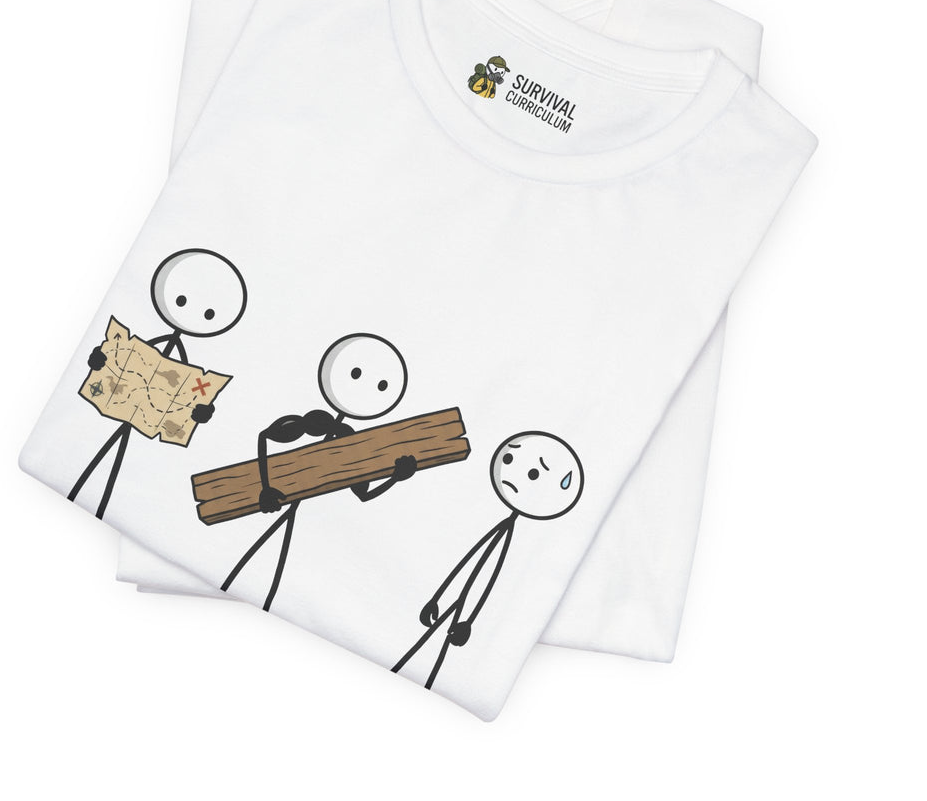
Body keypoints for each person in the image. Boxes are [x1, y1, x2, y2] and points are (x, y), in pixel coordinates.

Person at [220, 333, 418, 610]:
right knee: (248, 570)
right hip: (276, 507)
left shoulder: (351, 443)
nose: (362, 389)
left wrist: (395, 477)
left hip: (319, 547)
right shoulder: (317, 422)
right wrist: (265, 488)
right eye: (355, 374)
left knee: (267, 577)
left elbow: (363, 494)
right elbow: (266, 435)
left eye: (382, 386)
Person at [393, 431, 583, 689]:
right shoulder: (503, 530)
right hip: (457, 605)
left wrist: (468, 621)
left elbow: (487, 578)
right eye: (509, 459)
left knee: (437, 653)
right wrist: (437, 600)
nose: (513, 472)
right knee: (428, 649)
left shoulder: (509, 535)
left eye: (533, 474)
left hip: (463, 609)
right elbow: (468, 565)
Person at [69, 248, 247, 519]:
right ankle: (84, 492)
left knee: (119, 463)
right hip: (121, 404)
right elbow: (114, 355)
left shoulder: (188, 370)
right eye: (181, 300)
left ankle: (95, 499)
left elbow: (196, 400)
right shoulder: (142, 347)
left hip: (149, 420)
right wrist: (98, 360)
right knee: (103, 453)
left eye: (209, 314)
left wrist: (202, 412)